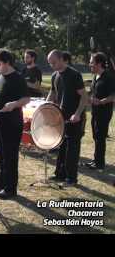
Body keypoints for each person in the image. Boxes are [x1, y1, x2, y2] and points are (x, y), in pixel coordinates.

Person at [0, 49, 30, 199]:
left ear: (7, 62)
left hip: (12, 123)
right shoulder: (0, 78)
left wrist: (14, 104)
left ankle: (10, 188)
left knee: (10, 156)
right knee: (0, 153)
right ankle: (0, 182)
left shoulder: (18, 78)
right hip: (0, 122)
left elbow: (26, 99)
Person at [47, 50, 88, 186]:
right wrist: (45, 107)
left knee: (72, 148)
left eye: (54, 62)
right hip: (61, 116)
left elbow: (84, 97)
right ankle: (59, 174)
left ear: (62, 59)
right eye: (50, 63)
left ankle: (71, 178)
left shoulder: (74, 75)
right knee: (61, 145)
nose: (52, 65)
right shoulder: (54, 75)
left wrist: (77, 114)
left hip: (75, 117)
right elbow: (52, 93)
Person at [85, 52, 115, 170]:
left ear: (99, 63)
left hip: (104, 112)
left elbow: (113, 95)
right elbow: (94, 92)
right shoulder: (95, 76)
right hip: (95, 111)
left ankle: (100, 163)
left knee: (100, 136)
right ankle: (96, 159)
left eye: (92, 62)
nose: (90, 64)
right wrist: (89, 98)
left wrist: (101, 101)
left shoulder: (108, 77)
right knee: (95, 135)